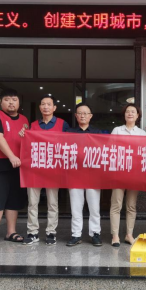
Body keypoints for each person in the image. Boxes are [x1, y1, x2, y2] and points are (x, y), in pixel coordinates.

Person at [23, 94, 70, 246]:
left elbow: (69, 144)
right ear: (39, 107)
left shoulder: (62, 124)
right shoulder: (33, 125)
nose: (46, 107)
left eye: (49, 104)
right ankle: (32, 232)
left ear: (54, 107)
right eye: (43, 104)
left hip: (53, 169)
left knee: (52, 203)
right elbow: (28, 145)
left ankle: (51, 232)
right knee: (32, 202)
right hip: (35, 169)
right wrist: (23, 136)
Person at [0, 89, 29, 246]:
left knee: (13, 200)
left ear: (19, 102)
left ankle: (11, 232)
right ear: (1, 102)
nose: (11, 102)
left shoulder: (24, 119)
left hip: (19, 165)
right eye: (7, 99)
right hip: (0, 163)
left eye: (14, 100)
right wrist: (11, 156)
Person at [110, 104, 146, 247]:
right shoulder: (117, 130)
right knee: (116, 205)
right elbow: (110, 149)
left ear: (137, 116)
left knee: (131, 206)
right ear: (124, 115)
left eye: (133, 112)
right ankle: (115, 235)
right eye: (127, 111)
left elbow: (144, 153)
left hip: (134, 173)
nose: (130, 114)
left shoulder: (142, 133)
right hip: (119, 172)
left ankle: (129, 235)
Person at [66, 103, 102, 247]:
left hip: (93, 175)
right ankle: (76, 234)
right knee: (76, 207)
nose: (82, 116)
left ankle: (95, 234)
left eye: (85, 113)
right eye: (80, 113)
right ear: (76, 116)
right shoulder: (69, 133)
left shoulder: (98, 133)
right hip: (75, 174)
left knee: (94, 207)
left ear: (90, 116)